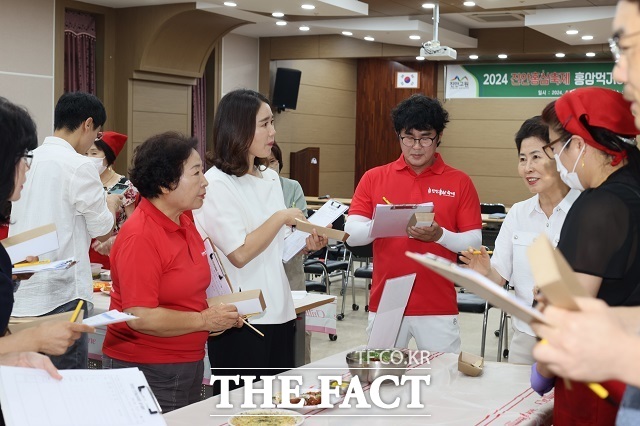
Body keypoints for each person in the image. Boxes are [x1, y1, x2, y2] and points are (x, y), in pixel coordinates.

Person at [193, 89, 327, 393]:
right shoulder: (216, 184)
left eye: (272, 123)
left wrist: (306, 243)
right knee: (241, 408)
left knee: (278, 405)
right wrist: (280, 217)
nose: (273, 132)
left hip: (280, 308)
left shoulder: (267, 176)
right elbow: (240, 253)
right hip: (242, 318)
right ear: (239, 129)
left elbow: (277, 248)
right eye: (265, 124)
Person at [102, 131, 242, 413]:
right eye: (196, 173)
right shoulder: (141, 235)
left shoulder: (185, 219)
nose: (205, 182)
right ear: (166, 184)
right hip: (146, 367)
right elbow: (140, 316)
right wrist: (205, 319)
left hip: (185, 361)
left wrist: (219, 316)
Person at [529, 87, 640, 425]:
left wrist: (543, 367)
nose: (554, 161)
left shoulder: (598, 206)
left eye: (552, 148)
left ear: (577, 144)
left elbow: (571, 315)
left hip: (599, 377)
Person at [345, 93, 482, 352]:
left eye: (425, 138)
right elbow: (351, 234)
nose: (416, 146)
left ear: (439, 137)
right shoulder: (374, 178)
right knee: (381, 379)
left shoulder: (459, 181)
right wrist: (383, 223)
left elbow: (473, 241)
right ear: (398, 135)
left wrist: (439, 235)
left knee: (443, 381)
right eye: (408, 137)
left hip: (437, 302)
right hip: (387, 300)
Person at [8, 92, 121, 370]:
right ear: (88, 124)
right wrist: (111, 204)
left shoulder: (28, 158)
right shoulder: (79, 165)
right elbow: (102, 228)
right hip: (62, 296)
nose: (93, 142)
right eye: (96, 134)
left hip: (20, 291)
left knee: (28, 388)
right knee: (64, 387)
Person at [458, 117, 579, 364]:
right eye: (522, 159)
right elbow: (499, 278)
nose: (527, 168)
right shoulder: (518, 214)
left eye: (536, 157)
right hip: (525, 338)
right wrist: (485, 271)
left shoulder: (586, 210)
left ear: (559, 156)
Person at [267, 142, 311, 364]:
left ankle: (301, 367)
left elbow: (302, 222)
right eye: (264, 162)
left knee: (299, 321)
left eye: (272, 162)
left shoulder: (292, 186)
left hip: (291, 263)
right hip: (265, 264)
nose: (269, 166)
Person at [86, 131, 138, 269]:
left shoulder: (121, 185)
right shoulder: (84, 183)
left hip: (112, 249)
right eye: (85, 154)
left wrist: (115, 239)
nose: (89, 158)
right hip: (85, 250)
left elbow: (133, 222)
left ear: (107, 156)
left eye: (94, 153)